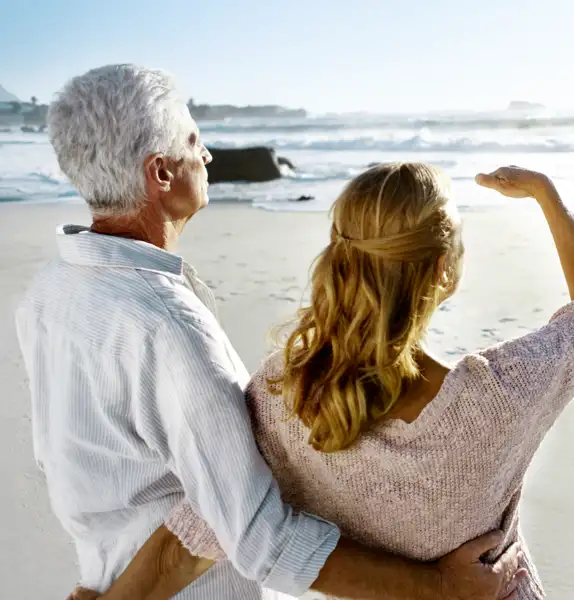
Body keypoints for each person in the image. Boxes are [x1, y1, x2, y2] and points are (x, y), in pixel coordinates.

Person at [15, 65, 523, 600]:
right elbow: (261, 539)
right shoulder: (166, 325)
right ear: (160, 174)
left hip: (105, 576)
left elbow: (72, 464)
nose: (208, 154)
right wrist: (438, 586)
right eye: (194, 140)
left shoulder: (51, 289)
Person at [86, 161, 574, 599]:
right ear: (443, 271)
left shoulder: (286, 400)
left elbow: (191, 540)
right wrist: (546, 195)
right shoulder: (502, 396)